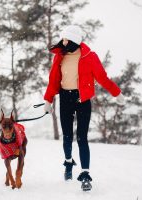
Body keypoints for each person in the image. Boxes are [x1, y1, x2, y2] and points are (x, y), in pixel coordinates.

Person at [43, 25, 125, 191]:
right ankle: (68, 162)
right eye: (63, 39)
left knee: (82, 137)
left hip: (83, 100)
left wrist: (116, 93)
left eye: (66, 39)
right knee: (67, 136)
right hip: (65, 98)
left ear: (74, 40)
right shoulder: (60, 57)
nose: (63, 42)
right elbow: (53, 80)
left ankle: (85, 175)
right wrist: (48, 100)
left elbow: (102, 77)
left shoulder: (89, 56)